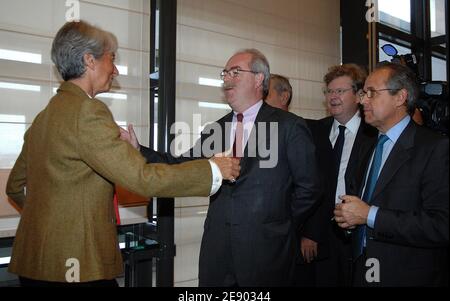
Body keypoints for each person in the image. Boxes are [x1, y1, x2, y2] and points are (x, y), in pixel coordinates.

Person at [5, 21, 239, 287]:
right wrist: (213, 169)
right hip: (77, 266)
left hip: (34, 262)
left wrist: (53, 220)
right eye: (111, 58)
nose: (115, 69)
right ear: (89, 60)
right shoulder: (88, 112)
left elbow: (15, 187)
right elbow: (143, 179)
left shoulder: (43, 118)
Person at [121, 49, 321, 286]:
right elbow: (182, 166)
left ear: (259, 79)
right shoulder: (215, 129)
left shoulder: (289, 126)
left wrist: (279, 223)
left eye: (235, 72)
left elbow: (310, 188)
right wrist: (139, 150)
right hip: (217, 253)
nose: (226, 78)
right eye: (225, 73)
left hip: (267, 252)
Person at [334, 62, 449, 286]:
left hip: (407, 274)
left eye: (371, 93)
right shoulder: (370, 146)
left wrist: (369, 215)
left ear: (400, 97)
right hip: (363, 269)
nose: (362, 100)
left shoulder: (434, 148)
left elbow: (441, 225)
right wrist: (350, 217)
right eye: (362, 92)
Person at [296, 64, 378, 287]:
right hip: (321, 234)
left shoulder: (374, 134)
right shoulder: (314, 132)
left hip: (362, 233)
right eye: (329, 91)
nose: (333, 97)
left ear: (359, 95)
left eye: (340, 91)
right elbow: (307, 186)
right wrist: (310, 232)